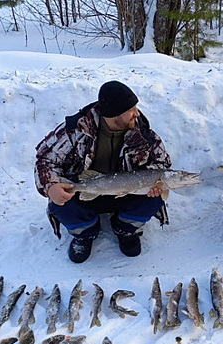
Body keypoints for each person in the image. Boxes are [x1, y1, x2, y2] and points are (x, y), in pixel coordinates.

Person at [35, 80, 171, 263]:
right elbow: (45, 159)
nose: (136, 113)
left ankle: (125, 228)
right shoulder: (75, 130)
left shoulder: (143, 133)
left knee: (156, 196)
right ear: (114, 114)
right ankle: (84, 233)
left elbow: (163, 163)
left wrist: (153, 181)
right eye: (130, 110)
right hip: (87, 188)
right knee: (60, 202)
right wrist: (50, 185)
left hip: (126, 192)